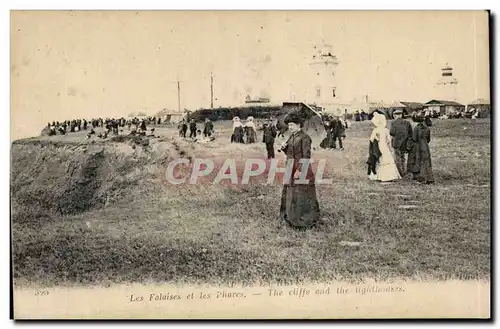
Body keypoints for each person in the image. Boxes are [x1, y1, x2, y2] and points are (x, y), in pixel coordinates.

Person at [279, 112, 320, 229]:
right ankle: (290, 216)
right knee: (291, 192)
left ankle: (303, 219)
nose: (290, 127)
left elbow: (306, 156)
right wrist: (284, 148)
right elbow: (290, 153)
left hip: (301, 167)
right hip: (290, 167)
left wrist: (300, 170)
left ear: (299, 124)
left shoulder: (305, 138)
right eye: (289, 125)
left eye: (292, 125)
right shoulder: (292, 136)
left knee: (301, 193)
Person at [369, 113, 401, 182]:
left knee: (381, 160)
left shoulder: (375, 130)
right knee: (388, 159)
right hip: (385, 146)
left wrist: (376, 139)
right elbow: (389, 141)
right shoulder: (386, 130)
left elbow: (371, 140)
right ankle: (389, 176)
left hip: (378, 146)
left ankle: (381, 175)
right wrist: (390, 148)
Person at [409, 113, 435, 184]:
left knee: (419, 161)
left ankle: (421, 178)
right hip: (425, 145)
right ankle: (430, 178)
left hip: (418, 145)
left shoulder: (416, 128)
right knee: (426, 161)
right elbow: (428, 139)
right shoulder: (427, 128)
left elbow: (414, 138)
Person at [390, 109, 413, 178]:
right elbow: (410, 133)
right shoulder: (407, 122)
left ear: (396, 115)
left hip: (396, 143)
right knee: (403, 158)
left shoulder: (393, 123)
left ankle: (400, 173)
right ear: (401, 115)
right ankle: (404, 171)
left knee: (397, 158)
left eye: (395, 115)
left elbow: (392, 133)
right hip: (404, 143)